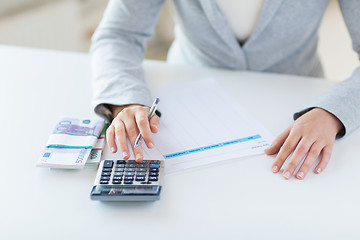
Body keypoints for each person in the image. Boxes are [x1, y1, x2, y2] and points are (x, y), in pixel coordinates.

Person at [90, 0, 360, 180]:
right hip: (187, 107)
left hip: (298, 108)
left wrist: (332, 113)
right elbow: (118, 34)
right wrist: (125, 100)